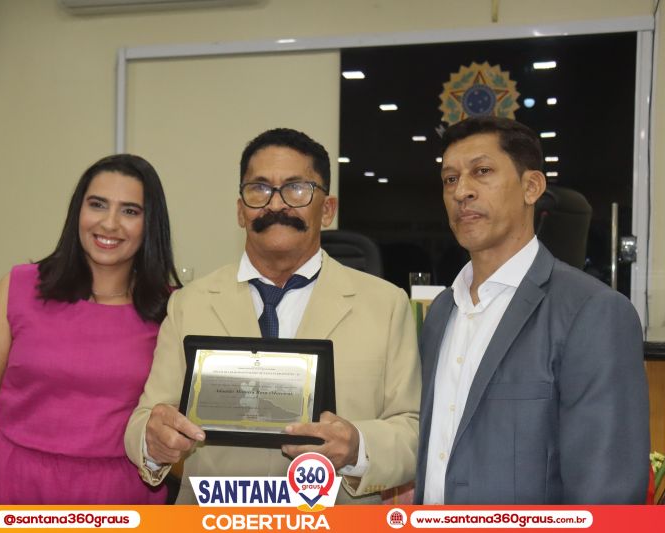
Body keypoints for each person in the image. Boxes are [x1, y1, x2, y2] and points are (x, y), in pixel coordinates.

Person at [125, 128, 421, 504]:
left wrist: (357, 446)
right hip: (217, 518)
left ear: (327, 209)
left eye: (297, 188)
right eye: (260, 188)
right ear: (240, 210)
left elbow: (414, 431)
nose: (276, 204)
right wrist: (153, 440)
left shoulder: (386, 305)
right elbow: (145, 419)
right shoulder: (190, 303)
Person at [414, 116, 650, 504]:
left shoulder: (593, 312)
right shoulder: (441, 311)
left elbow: (608, 496)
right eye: (450, 179)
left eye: (482, 171)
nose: (461, 191)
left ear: (531, 187)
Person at [0, 154, 180, 504]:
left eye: (130, 211)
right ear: (77, 211)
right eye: (97, 205)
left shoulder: (172, 309)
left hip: (122, 496)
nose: (110, 223)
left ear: (150, 224)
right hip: (13, 487)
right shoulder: (18, 288)